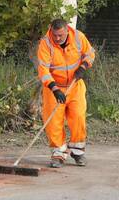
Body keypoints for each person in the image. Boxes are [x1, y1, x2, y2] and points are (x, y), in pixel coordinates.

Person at [36, 18, 95, 168]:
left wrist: (83, 67)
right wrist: (55, 89)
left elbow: (90, 53)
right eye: (55, 35)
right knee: (54, 121)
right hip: (54, 88)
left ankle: (78, 151)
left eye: (60, 35)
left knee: (78, 117)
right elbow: (43, 70)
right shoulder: (46, 43)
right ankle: (59, 153)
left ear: (66, 31)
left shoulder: (78, 37)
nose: (57, 38)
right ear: (51, 30)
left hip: (75, 86)